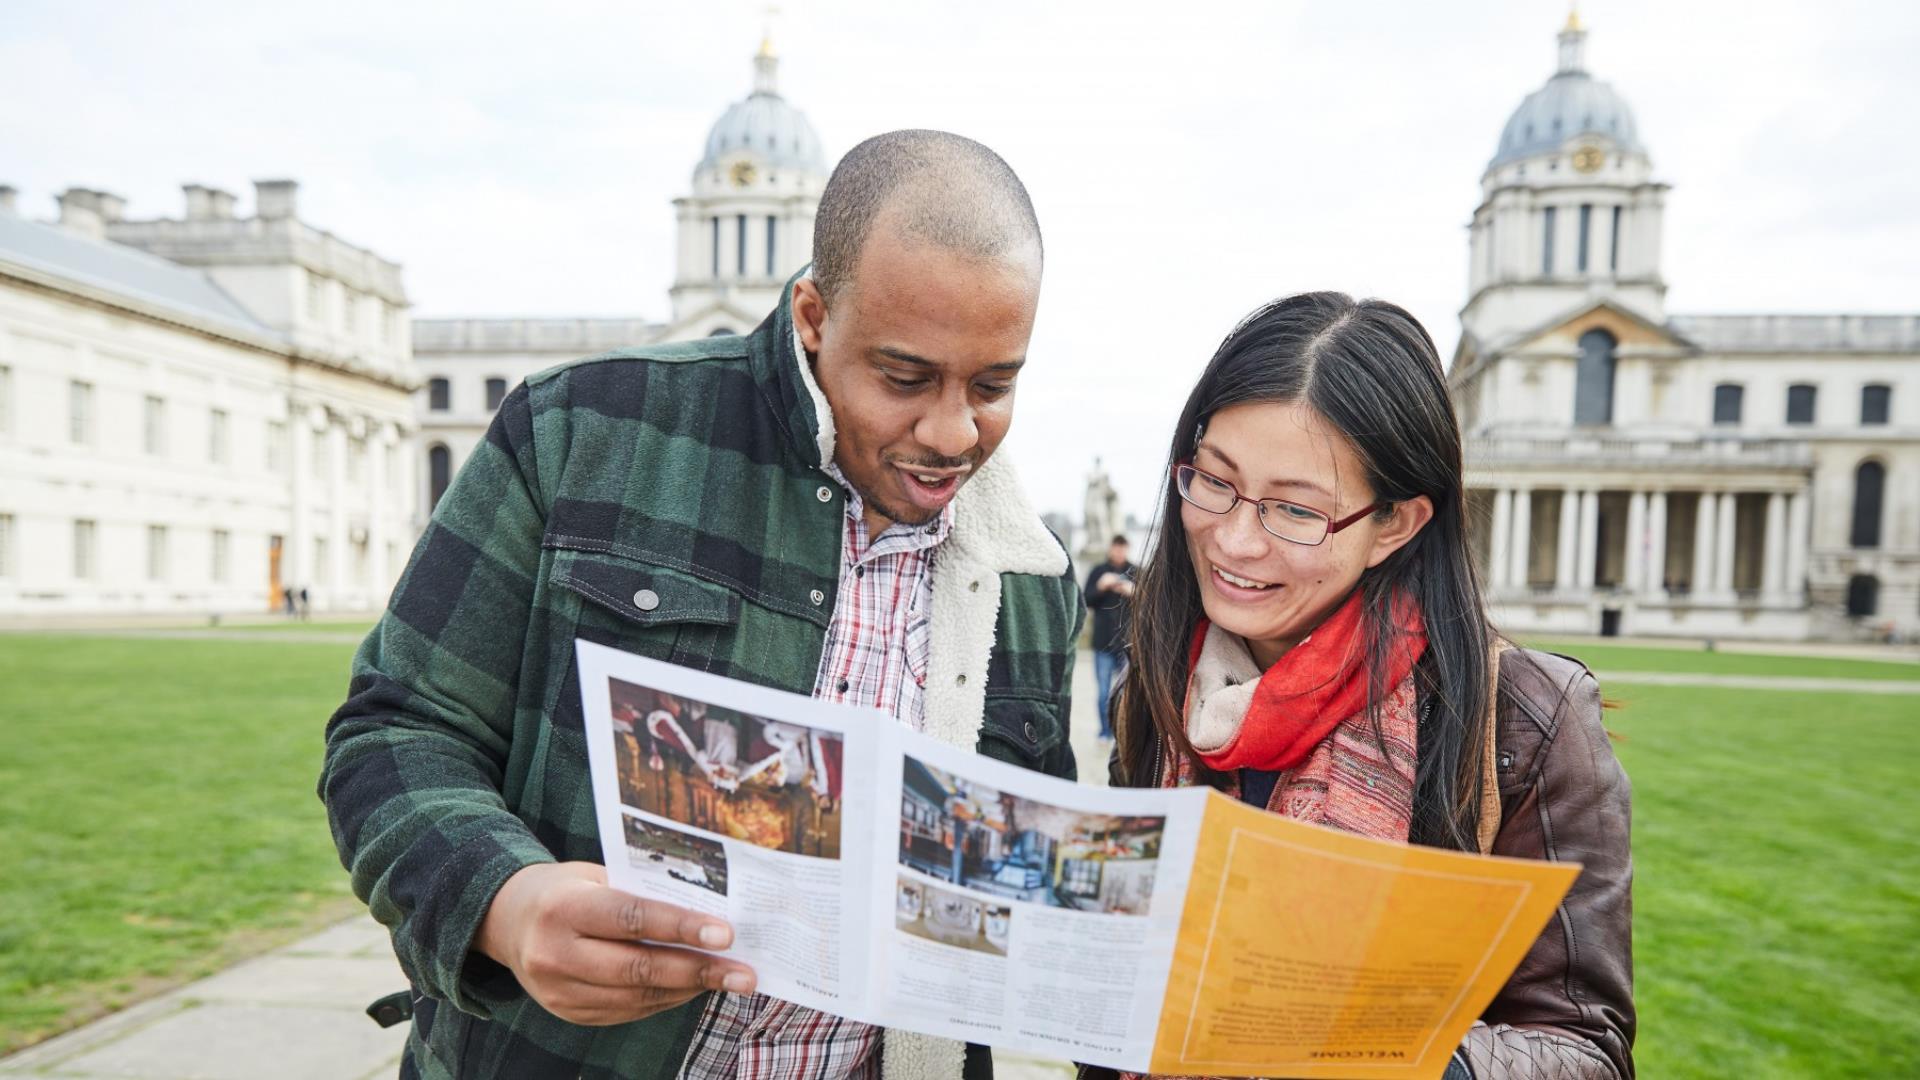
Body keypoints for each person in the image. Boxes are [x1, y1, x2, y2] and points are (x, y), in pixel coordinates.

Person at [320, 130, 1082, 1080]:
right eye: (905, 377)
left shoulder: (1035, 580)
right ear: (813, 314)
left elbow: (1023, 895)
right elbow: (395, 728)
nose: (953, 432)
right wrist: (506, 905)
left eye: (995, 385)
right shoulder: (584, 431)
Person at [1099, 293, 1633, 1079]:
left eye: (1294, 509)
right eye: (1213, 482)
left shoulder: (1527, 718)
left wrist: (1373, 1045)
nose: (1234, 540)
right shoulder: (1161, 685)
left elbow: (1587, 1050)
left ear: (1396, 524)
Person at [1082, 534, 1135, 739]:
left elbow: (1151, 603)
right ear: (1111, 548)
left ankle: (1122, 734)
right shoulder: (1098, 571)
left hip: (1128, 643)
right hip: (1102, 642)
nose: (1119, 552)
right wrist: (1101, 587)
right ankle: (1105, 732)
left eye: (1122, 548)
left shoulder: (1136, 571)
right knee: (1104, 692)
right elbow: (1086, 600)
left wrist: (1135, 592)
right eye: (1116, 548)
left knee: (1127, 694)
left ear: (1127, 549)